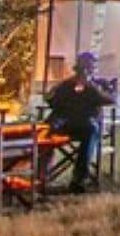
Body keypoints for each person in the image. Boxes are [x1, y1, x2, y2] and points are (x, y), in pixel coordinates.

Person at [45, 51, 114, 192]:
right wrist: (58, 91)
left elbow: (110, 100)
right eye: (84, 67)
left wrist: (92, 86)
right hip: (65, 123)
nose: (86, 71)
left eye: (90, 67)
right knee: (45, 130)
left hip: (85, 124)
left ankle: (79, 179)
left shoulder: (98, 84)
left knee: (91, 130)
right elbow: (51, 100)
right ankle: (42, 176)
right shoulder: (66, 84)